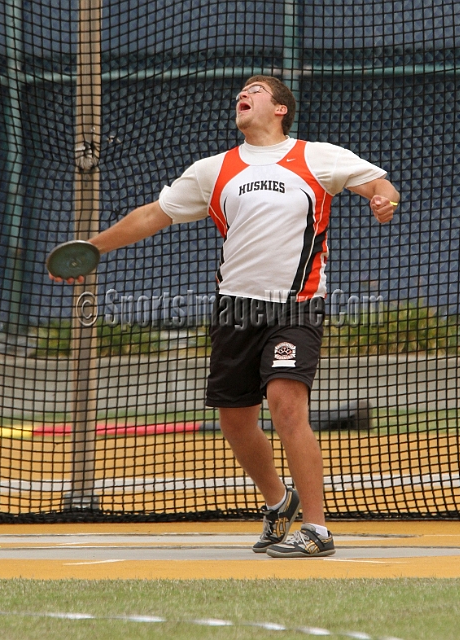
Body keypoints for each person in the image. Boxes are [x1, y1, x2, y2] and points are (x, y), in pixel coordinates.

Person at [50, 75, 399, 558]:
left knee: (286, 404)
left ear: (280, 108)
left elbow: (378, 183)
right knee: (236, 422)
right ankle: (280, 502)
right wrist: (93, 248)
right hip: (234, 309)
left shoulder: (316, 156)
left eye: (256, 90)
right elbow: (153, 215)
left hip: (295, 306)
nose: (244, 94)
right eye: (243, 92)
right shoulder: (214, 169)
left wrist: (385, 200)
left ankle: (316, 529)